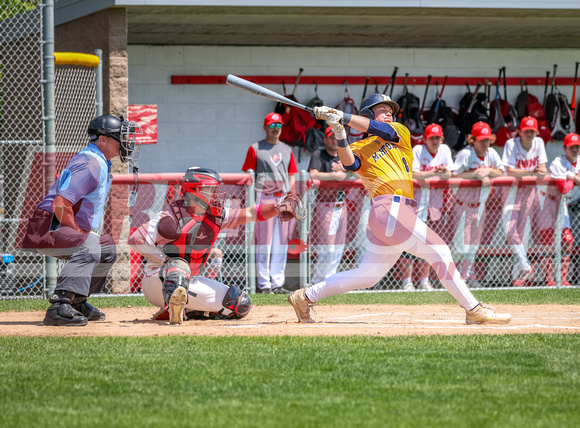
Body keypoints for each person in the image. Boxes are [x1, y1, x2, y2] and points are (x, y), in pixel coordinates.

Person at [288, 94, 511, 325]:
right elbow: (350, 164)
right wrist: (340, 131)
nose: (389, 113)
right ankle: (473, 309)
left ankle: (305, 297)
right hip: (388, 209)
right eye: (382, 109)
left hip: (397, 213)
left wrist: (343, 117)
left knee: (368, 275)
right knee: (440, 250)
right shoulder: (361, 146)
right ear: (366, 114)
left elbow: (378, 128)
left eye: (390, 110)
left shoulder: (399, 133)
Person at [128, 166, 301, 324]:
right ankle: (170, 304)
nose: (215, 195)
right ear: (194, 191)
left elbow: (250, 213)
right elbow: (135, 239)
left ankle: (186, 310)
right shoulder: (172, 216)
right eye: (210, 190)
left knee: (239, 304)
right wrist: (165, 260)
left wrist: (277, 207)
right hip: (157, 282)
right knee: (178, 264)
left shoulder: (216, 215)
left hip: (189, 281)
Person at [22, 114, 142, 326]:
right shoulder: (90, 163)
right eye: (119, 136)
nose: (126, 142)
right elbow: (60, 205)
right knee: (90, 245)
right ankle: (59, 306)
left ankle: (77, 302)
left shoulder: (100, 162)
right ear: (102, 140)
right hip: (48, 224)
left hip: (57, 223)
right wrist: (81, 232)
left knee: (106, 248)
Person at [242, 112, 298, 294]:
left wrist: (292, 198)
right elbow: (248, 176)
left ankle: (277, 283)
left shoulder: (287, 149)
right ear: (265, 127)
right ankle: (264, 284)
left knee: (281, 242)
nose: (276, 129)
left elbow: (291, 176)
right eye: (272, 126)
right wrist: (250, 202)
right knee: (264, 243)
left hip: (282, 197)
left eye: (279, 125)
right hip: (263, 196)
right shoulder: (255, 148)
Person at [399, 123, 454, 291]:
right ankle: (407, 281)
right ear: (425, 139)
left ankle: (424, 280)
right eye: (432, 138)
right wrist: (435, 172)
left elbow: (450, 173)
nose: (435, 141)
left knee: (429, 245)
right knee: (409, 243)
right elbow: (414, 174)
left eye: (438, 138)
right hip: (415, 205)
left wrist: (439, 173)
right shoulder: (418, 150)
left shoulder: (444, 150)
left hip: (434, 206)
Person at [450, 121, 504, 288]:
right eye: (481, 140)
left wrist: (488, 171)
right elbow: (454, 176)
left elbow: (501, 171)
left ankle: (465, 277)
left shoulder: (492, 153)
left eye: (487, 139)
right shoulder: (465, 154)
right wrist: (476, 175)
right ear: (472, 140)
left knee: (473, 246)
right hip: (462, 205)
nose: (484, 143)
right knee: (460, 246)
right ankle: (450, 275)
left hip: (480, 206)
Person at [501, 116, 548, 286]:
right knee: (510, 230)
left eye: (532, 131)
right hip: (512, 191)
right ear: (519, 131)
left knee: (524, 236)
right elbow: (509, 170)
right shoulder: (511, 144)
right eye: (526, 131)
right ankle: (525, 265)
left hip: (529, 192)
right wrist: (530, 171)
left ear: (536, 131)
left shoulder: (539, 143)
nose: (529, 134)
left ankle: (517, 277)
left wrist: (538, 171)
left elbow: (543, 169)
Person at [308, 126, 351, 284]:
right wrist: (334, 175)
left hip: (342, 204)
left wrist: (345, 170)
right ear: (325, 139)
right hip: (325, 204)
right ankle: (317, 281)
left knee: (339, 246)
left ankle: (330, 281)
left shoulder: (344, 155)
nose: (334, 140)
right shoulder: (319, 154)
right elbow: (313, 174)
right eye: (331, 137)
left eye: (336, 137)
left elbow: (357, 172)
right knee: (327, 247)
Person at [536, 133, 580, 286]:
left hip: (561, 205)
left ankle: (562, 278)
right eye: (571, 147)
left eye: (577, 147)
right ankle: (549, 280)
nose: (575, 150)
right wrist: (575, 178)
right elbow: (563, 188)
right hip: (547, 203)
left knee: (567, 240)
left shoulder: (579, 161)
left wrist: (571, 177)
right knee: (548, 241)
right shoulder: (558, 162)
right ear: (565, 148)